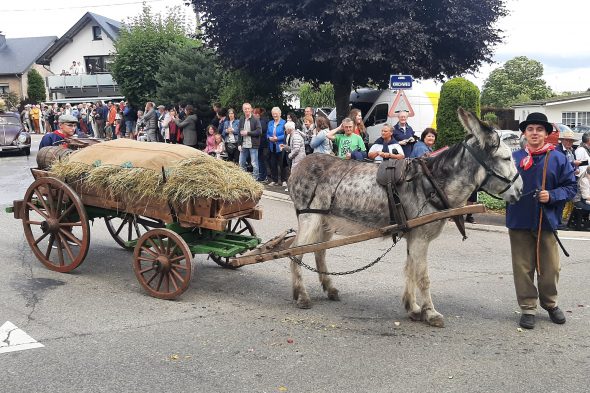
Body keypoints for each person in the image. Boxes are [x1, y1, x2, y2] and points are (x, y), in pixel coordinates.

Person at [507, 112, 577, 330]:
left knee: (550, 268)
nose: (534, 133)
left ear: (546, 134)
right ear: (524, 133)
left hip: (546, 221)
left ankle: (550, 303)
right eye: (530, 129)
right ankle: (528, 307)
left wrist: (552, 196)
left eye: (539, 129)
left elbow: (571, 187)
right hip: (519, 220)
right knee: (522, 268)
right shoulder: (514, 159)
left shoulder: (558, 158)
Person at [237, 102, 262, 180]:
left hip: (253, 145)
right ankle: (243, 179)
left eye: (248, 108)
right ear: (243, 110)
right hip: (243, 144)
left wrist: (247, 133)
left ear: (251, 109)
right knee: (241, 163)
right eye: (245, 109)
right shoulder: (241, 118)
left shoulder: (255, 119)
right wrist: (239, 144)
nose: (247, 110)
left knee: (254, 163)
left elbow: (259, 132)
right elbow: (239, 132)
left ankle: (255, 179)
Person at [280, 121, 306, 191]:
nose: (285, 130)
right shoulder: (293, 135)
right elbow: (293, 148)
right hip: (297, 158)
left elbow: (296, 150)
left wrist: (289, 156)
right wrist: (285, 147)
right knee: (296, 174)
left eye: (286, 129)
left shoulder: (295, 136)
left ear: (289, 129)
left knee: (295, 174)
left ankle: (293, 188)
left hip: (298, 159)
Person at [266, 107, 286, 186]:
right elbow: (267, 133)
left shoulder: (284, 122)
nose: (275, 115)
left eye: (276, 114)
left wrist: (278, 138)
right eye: (273, 114)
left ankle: (284, 180)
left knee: (282, 164)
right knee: (273, 163)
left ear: (280, 114)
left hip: (281, 146)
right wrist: (269, 138)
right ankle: (274, 180)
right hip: (272, 146)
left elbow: (286, 134)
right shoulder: (270, 123)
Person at [254, 107, 270, 182]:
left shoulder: (262, 121)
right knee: (259, 160)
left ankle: (264, 176)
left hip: (262, 144)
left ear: (257, 114)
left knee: (261, 160)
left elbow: (261, 130)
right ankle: (262, 175)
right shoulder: (260, 120)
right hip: (259, 143)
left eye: (254, 113)